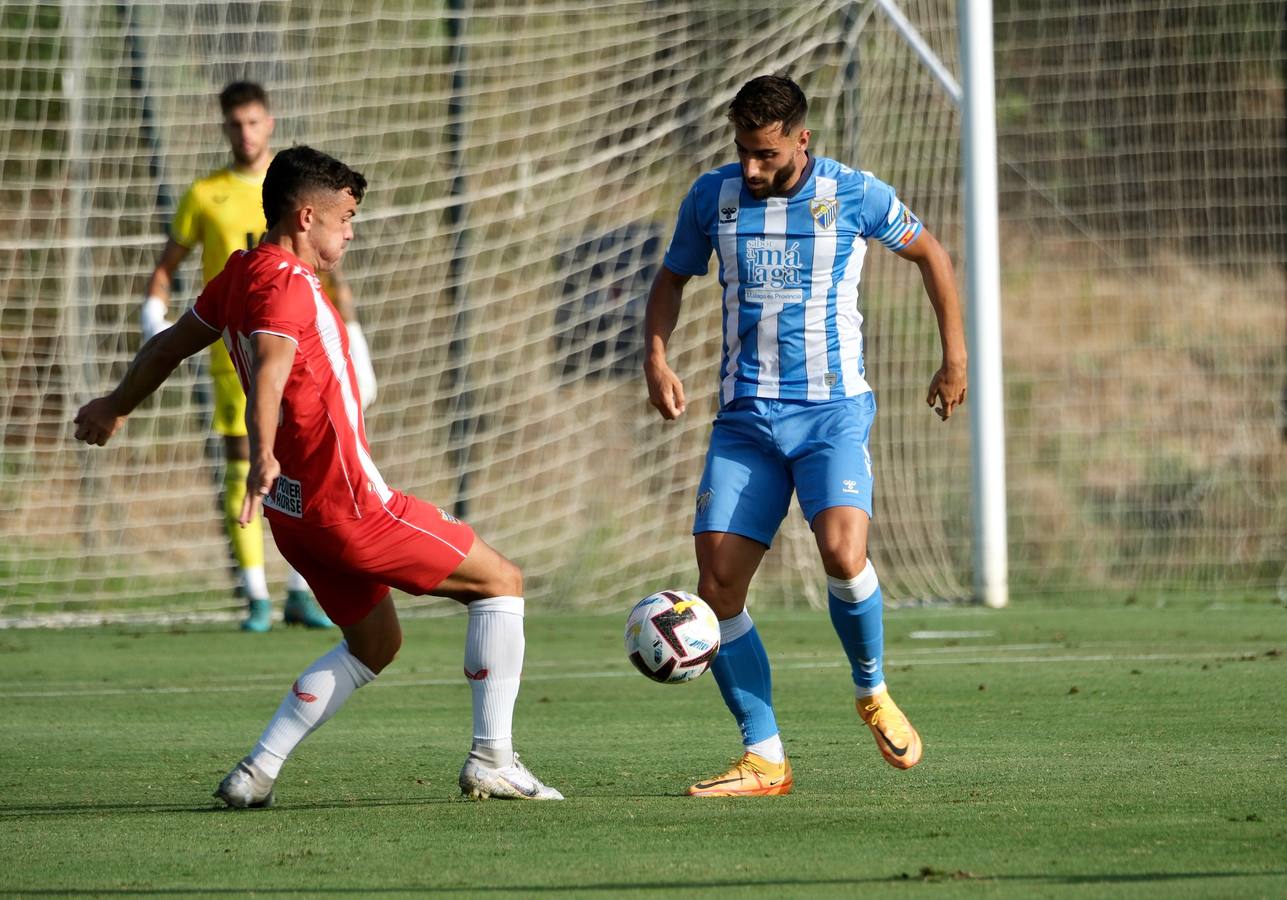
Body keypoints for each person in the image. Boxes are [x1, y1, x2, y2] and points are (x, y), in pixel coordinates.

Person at [75, 145, 562, 806]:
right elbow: (271, 364)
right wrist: (261, 451)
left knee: (376, 642)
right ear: (307, 217)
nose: (352, 230)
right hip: (353, 508)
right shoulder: (286, 284)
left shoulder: (239, 273)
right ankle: (492, 759)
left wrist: (114, 405)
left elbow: (166, 345)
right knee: (500, 582)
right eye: (347, 216)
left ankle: (256, 771)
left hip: (297, 519)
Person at [644, 74, 968, 796]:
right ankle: (764, 758)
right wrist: (656, 358)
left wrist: (954, 358)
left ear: (801, 139)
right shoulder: (712, 196)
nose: (752, 168)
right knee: (716, 588)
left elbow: (932, 257)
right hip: (744, 422)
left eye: (765, 154)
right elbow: (670, 280)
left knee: (841, 551)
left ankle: (872, 690)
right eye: (743, 152)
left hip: (831, 414)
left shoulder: (855, 194)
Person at [141, 81, 377, 632]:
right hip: (234, 351)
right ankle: (256, 596)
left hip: (307, 349)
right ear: (224, 128)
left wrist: (357, 340)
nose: (245, 133)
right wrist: (154, 313)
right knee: (247, 460)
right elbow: (166, 270)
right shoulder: (206, 194)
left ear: (269, 123)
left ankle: (302, 589)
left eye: (254, 122)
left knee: (308, 462)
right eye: (235, 124)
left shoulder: (301, 186)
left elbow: (327, 275)